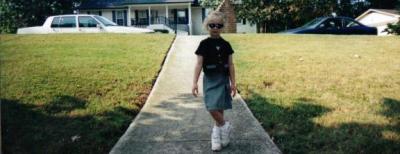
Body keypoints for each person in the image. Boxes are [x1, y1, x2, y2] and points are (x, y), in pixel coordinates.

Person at [192, 10, 236, 152]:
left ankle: (219, 138)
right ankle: (225, 126)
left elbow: (231, 65)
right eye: (212, 25)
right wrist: (194, 82)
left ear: (222, 27)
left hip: (223, 79)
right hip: (210, 79)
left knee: (220, 109)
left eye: (218, 25)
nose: (215, 28)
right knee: (211, 106)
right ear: (207, 26)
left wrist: (233, 83)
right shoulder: (203, 44)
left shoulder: (226, 44)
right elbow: (199, 64)